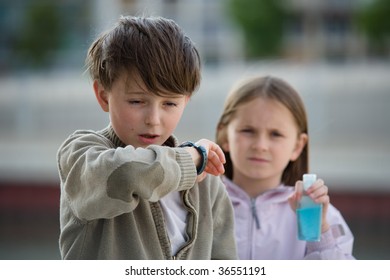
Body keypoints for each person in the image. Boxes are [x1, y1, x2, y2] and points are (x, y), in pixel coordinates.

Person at [56, 15, 238, 260]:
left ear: (186, 101)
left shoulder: (207, 184)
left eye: (170, 103)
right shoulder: (80, 153)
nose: (153, 118)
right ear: (103, 95)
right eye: (136, 101)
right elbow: (125, 175)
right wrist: (190, 158)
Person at [216, 75, 355, 260]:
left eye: (276, 134)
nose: (261, 145)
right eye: (248, 131)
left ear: (298, 146)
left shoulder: (323, 217)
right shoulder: (199, 205)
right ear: (224, 136)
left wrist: (319, 231)